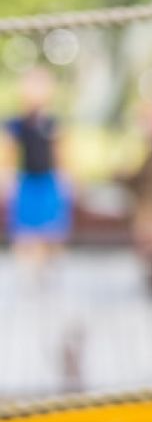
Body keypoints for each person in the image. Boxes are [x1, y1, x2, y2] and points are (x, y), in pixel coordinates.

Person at [6, 67, 71, 280]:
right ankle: (29, 271)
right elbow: (9, 153)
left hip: (48, 180)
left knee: (51, 229)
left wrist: (65, 178)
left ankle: (48, 269)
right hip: (26, 181)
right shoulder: (17, 124)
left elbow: (60, 152)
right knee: (26, 231)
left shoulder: (52, 123)